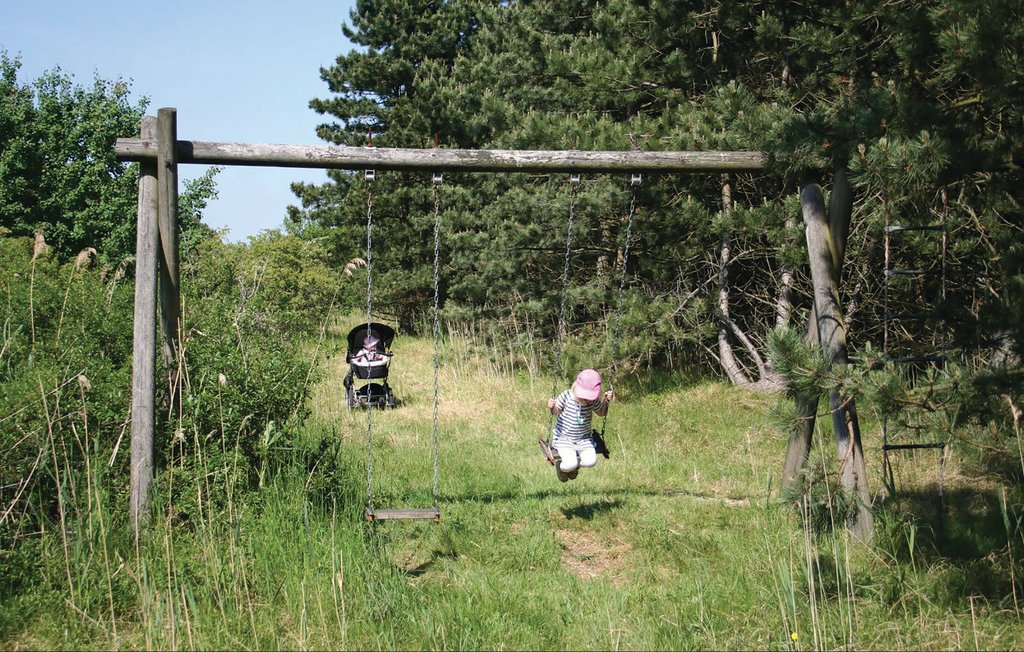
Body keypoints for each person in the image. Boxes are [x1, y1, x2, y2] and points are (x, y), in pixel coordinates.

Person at [547, 368, 614, 482]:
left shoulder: (593, 401)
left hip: (584, 439)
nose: (587, 400)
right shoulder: (567, 395)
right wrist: (552, 406)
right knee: (569, 464)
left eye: (590, 397)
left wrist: (606, 401)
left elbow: (601, 412)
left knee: (591, 462)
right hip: (564, 439)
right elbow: (556, 412)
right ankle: (562, 467)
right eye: (585, 396)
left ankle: (574, 467)